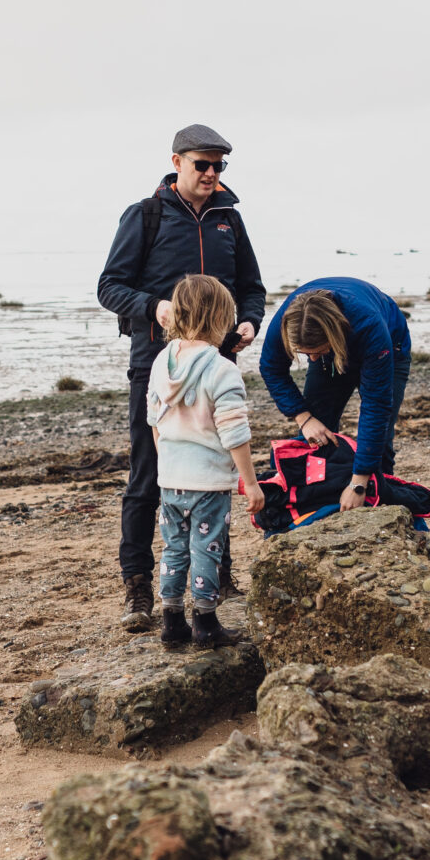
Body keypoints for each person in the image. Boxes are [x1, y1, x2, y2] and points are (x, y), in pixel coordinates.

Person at [97, 124, 266, 630]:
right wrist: (156, 307)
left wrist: (249, 320)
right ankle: (138, 590)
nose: (212, 174)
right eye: (202, 164)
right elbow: (109, 287)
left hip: (219, 363)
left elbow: (251, 287)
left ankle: (220, 577)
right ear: (177, 162)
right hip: (157, 364)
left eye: (219, 166)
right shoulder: (145, 216)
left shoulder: (229, 221)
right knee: (148, 474)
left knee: (218, 469)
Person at [145, 275, 260, 651]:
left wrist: (167, 463)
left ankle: (172, 621)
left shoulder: (162, 361)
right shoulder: (221, 368)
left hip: (170, 478)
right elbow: (234, 433)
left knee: (174, 548)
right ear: (222, 318)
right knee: (206, 548)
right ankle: (206, 623)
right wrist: (251, 482)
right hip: (208, 482)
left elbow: (154, 421)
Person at [258, 277, 411, 509]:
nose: (311, 359)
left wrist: (358, 483)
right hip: (333, 350)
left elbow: (375, 407)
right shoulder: (286, 322)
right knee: (317, 435)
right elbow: (271, 368)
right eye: (304, 353)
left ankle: (379, 504)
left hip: (389, 342)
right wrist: (304, 417)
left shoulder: (368, 326)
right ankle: (316, 503)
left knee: (381, 441)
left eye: (316, 351)